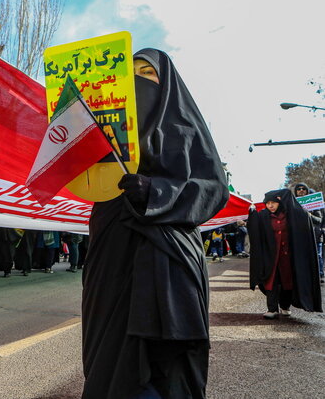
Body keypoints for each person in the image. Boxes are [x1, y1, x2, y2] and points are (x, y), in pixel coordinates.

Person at [81, 48, 228, 398]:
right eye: (129, 73)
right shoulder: (103, 134)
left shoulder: (186, 130)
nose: (138, 79)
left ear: (168, 84)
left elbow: (213, 190)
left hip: (168, 260)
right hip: (111, 258)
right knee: (109, 359)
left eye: (147, 73)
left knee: (165, 371)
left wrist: (156, 191)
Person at [248, 189, 322, 319]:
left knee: (287, 281)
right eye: (267, 203)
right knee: (271, 281)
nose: (270, 206)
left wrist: (307, 215)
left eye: (273, 203)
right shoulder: (263, 215)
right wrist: (252, 214)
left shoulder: (291, 215)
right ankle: (272, 309)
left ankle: (285, 306)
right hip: (270, 256)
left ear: (279, 202)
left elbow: (305, 221)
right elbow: (255, 229)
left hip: (287, 256)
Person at [293, 182, 324, 283]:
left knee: (317, 255)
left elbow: (319, 220)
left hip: (315, 235)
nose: (301, 191)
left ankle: (320, 275)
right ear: (296, 192)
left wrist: (309, 215)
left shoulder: (315, 205)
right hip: (300, 236)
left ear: (307, 191)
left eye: (303, 189)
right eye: (299, 189)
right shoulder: (293, 205)